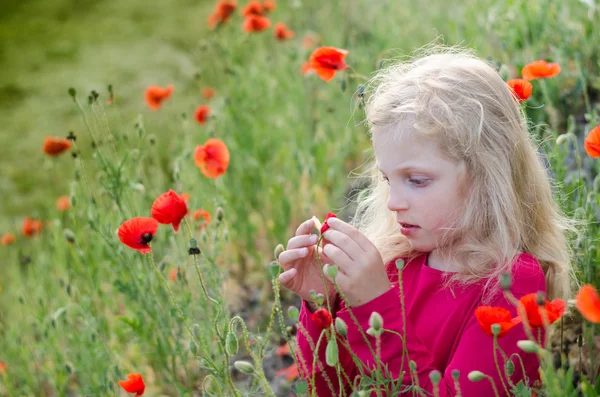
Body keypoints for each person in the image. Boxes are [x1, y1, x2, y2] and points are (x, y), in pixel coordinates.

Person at [278, 46, 576, 396]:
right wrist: (322, 306)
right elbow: (329, 388)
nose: (394, 202)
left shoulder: (512, 282)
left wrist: (375, 305)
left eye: (417, 180)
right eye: (388, 180)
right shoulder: (394, 265)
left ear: (486, 176)